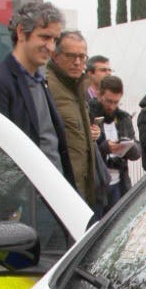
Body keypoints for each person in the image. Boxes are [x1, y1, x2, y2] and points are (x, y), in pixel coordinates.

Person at [0, 1, 73, 184]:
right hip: (25, 204)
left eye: (55, 40)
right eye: (44, 37)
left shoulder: (41, 82)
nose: (51, 47)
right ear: (21, 32)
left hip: (53, 199)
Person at [47, 30, 106, 213]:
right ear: (55, 56)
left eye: (82, 57)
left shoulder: (78, 87)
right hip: (60, 196)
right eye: (71, 56)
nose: (77, 62)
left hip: (83, 193)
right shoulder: (47, 87)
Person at [89, 75, 141, 207]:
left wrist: (127, 146)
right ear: (99, 95)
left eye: (116, 102)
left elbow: (137, 152)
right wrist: (107, 147)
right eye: (109, 101)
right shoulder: (89, 114)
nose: (112, 106)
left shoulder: (123, 118)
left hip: (120, 183)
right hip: (97, 184)